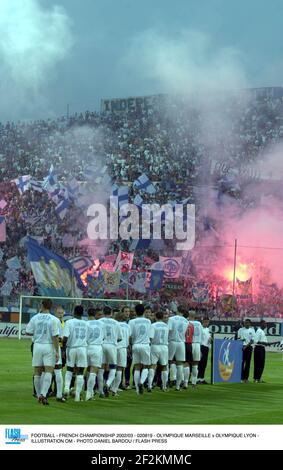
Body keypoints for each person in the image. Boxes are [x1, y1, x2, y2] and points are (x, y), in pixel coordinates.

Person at [26, 298, 60, 405]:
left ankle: (38, 394)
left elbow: (27, 332)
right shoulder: (54, 319)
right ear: (51, 306)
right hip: (49, 346)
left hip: (37, 345)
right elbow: (55, 336)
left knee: (37, 372)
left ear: (42, 305)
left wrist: (37, 333)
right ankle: (43, 394)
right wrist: (57, 351)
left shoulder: (35, 318)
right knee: (49, 370)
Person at [63, 305, 88, 401]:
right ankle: (77, 395)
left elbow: (65, 337)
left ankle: (66, 389)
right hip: (82, 348)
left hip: (72, 348)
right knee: (81, 371)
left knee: (69, 369)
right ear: (82, 313)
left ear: (74, 312)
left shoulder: (69, 322)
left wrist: (64, 349)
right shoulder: (86, 324)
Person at [129, 304, 154, 395]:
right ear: (144, 311)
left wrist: (130, 345)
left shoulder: (131, 322)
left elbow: (130, 336)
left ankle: (137, 389)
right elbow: (151, 336)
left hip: (135, 345)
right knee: (146, 366)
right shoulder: (148, 321)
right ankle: (142, 382)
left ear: (135, 312)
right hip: (145, 345)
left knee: (137, 367)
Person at [98, 306, 122, 397]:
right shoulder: (116, 323)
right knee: (113, 368)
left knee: (101, 368)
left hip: (102, 345)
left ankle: (101, 392)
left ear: (103, 312)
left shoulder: (99, 322)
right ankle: (107, 384)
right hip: (112, 346)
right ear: (111, 313)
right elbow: (120, 338)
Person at [85, 307, 105, 401]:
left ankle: (83, 391)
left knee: (87, 369)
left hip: (86, 347)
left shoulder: (85, 323)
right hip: (97, 348)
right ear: (95, 314)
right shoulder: (101, 324)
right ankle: (89, 393)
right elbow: (104, 337)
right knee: (94, 371)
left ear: (88, 314)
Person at [167, 305, 189, 391]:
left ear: (177, 310)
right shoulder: (186, 321)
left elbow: (169, 330)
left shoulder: (171, 319)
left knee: (168, 362)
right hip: (181, 343)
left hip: (172, 341)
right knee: (180, 364)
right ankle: (178, 386)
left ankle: (166, 384)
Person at [147, 310, 169, 392]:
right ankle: (164, 386)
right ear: (163, 317)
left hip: (155, 346)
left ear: (155, 317)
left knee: (153, 365)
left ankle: (149, 386)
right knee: (164, 366)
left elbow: (151, 337)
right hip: (164, 347)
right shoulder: (166, 326)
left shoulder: (153, 325)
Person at [111, 310, 131, 395]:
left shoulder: (114, 325)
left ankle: (109, 385)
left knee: (112, 368)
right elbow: (129, 338)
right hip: (123, 349)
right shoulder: (127, 326)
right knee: (120, 369)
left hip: (114, 347)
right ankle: (114, 389)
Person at [237, 318, 255, 383]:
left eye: (247, 322)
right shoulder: (240, 330)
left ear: (250, 323)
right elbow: (238, 338)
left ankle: (246, 378)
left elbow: (252, 340)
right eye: (245, 322)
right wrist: (241, 341)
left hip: (249, 348)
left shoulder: (252, 330)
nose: (246, 323)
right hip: (241, 347)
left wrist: (246, 346)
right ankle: (241, 378)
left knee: (247, 363)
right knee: (241, 363)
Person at [198, 317, 211, 384]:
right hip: (201, 347)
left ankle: (202, 378)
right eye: (205, 322)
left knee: (204, 364)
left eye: (207, 322)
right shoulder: (200, 329)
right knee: (200, 363)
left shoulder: (208, 329)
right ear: (202, 322)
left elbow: (208, 338)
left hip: (206, 347)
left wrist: (210, 340)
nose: (206, 323)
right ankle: (198, 379)